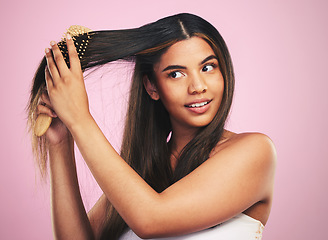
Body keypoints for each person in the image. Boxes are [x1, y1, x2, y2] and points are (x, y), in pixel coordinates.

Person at [27, 13, 276, 240]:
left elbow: (150, 219)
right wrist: (60, 141)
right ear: (152, 87)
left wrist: (80, 119)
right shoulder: (138, 174)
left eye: (208, 67)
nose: (198, 86)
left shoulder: (255, 151)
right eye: (176, 74)